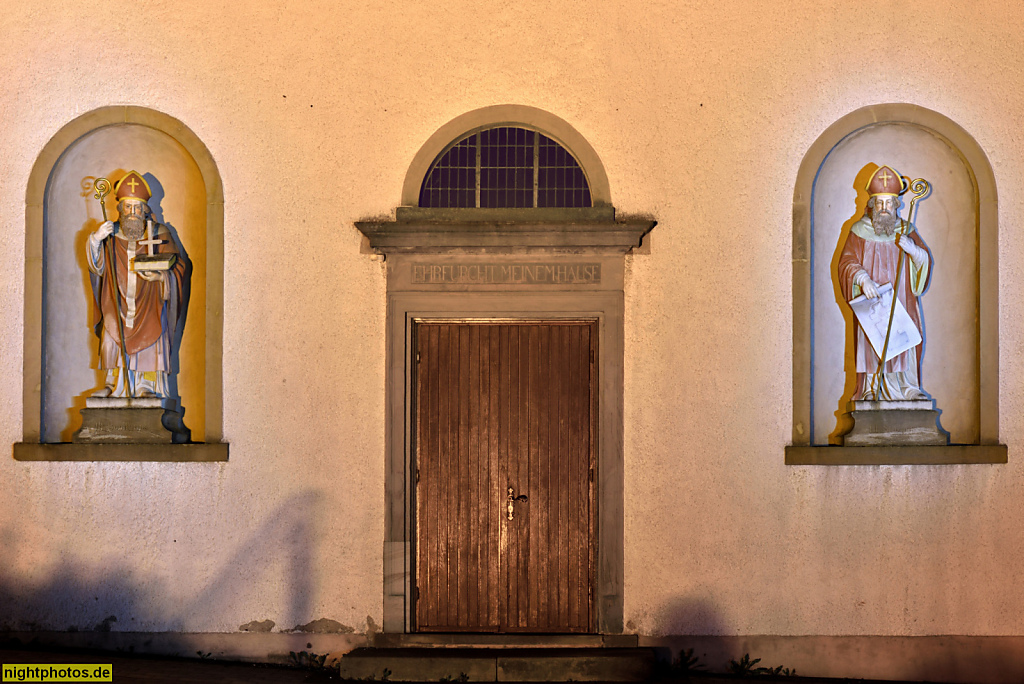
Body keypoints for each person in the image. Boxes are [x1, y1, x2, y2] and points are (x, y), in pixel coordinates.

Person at [86, 171, 186, 399]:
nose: (133, 212)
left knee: (152, 332)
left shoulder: (160, 233)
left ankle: (146, 385)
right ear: (120, 209)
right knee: (112, 330)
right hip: (116, 299)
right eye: (128, 207)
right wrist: (96, 239)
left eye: (137, 208)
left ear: (145, 210)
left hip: (149, 300)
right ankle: (113, 384)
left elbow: (178, 267)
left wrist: (161, 278)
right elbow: (97, 267)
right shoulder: (111, 235)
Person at [838, 165, 932, 401]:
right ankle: (871, 388)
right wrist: (862, 279)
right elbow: (847, 262)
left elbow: (924, 261)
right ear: (872, 204)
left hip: (902, 300)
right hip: (872, 300)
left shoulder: (906, 230)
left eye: (889, 203)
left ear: (896, 205)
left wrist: (914, 251)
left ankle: (908, 387)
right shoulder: (859, 231)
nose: (884, 208)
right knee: (873, 338)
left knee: (904, 335)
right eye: (879, 202)